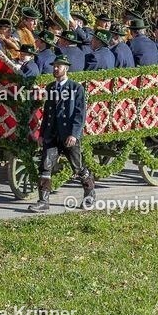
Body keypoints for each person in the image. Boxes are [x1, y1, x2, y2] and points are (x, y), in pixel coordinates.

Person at [28, 54, 96, 212]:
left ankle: (90, 195)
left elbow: (80, 114)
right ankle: (43, 202)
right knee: (45, 166)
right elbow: (47, 113)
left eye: (59, 66)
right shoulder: (50, 87)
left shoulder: (76, 88)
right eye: (54, 66)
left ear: (66, 68)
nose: (56, 68)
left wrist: (74, 134)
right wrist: (42, 134)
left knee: (78, 168)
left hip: (69, 135)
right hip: (52, 134)